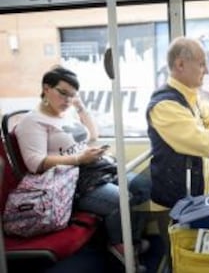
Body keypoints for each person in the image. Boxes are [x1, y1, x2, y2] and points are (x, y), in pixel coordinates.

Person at [15, 66, 149, 272]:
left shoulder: (66, 112)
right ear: (46, 88)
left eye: (72, 95)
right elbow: (35, 162)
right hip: (68, 182)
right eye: (63, 93)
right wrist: (78, 158)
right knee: (121, 198)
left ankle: (132, 240)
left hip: (91, 169)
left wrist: (79, 106)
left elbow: (92, 134)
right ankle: (120, 248)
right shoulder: (32, 122)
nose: (67, 99)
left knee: (142, 187)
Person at [146, 36, 209, 209]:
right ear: (180, 65)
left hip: (194, 193)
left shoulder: (190, 97)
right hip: (175, 202)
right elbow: (200, 141)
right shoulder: (165, 105)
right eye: (202, 64)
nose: (207, 71)